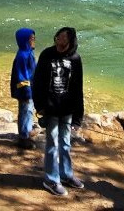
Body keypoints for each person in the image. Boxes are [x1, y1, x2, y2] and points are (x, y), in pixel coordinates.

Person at [32, 26, 85, 196]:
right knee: (52, 144)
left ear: (70, 42)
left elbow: (78, 88)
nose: (58, 41)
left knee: (65, 143)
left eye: (62, 38)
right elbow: (37, 81)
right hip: (51, 108)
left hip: (67, 110)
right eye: (57, 37)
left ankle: (66, 175)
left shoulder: (75, 59)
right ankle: (51, 180)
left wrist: (78, 117)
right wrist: (39, 105)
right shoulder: (47, 55)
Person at [9, 27, 37, 148]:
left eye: (34, 38)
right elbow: (22, 77)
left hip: (30, 88)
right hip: (25, 90)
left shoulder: (28, 52)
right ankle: (24, 137)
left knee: (29, 111)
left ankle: (28, 130)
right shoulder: (22, 56)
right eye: (31, 38)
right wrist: (27, 92)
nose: (33, 40)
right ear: (24, 40)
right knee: (25, 111)